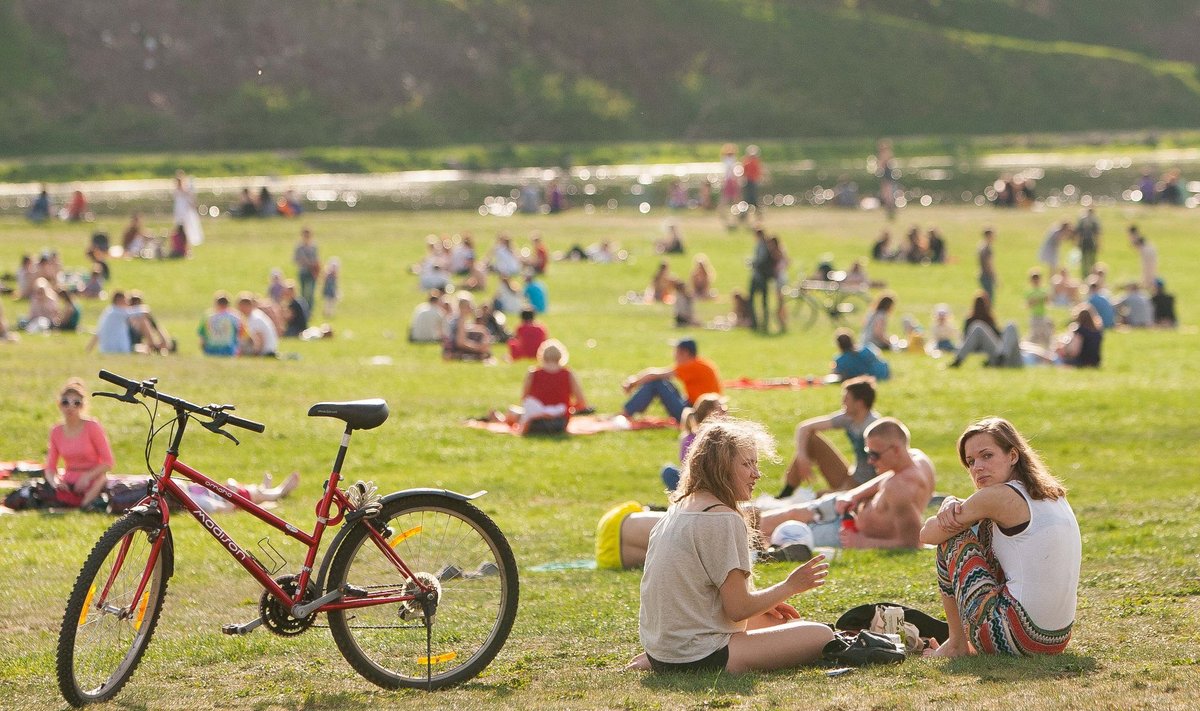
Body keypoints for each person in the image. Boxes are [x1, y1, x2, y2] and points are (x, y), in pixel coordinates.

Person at [628, 419, 833, 674]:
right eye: (747, 464)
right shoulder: (723, 518)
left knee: (771, 619)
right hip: (703, 656)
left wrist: (766, 603)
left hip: (663, 651)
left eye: (755, 464)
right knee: (821, 635)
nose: (756, 474)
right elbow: (739, 610)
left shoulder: (679, 509)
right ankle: (682, 663)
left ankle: (664, 660)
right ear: (720, 467)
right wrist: (790, 586)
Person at [920, 418, 1079, 657]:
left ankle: (956, 644)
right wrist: (954, 504)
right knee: (980, 527)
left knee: (951, 539)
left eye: (987, 456)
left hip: (1018, 635)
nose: (977, 468)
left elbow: (928, 534)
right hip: (1054, 639)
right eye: (971, 462)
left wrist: (948, 503)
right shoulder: (1052, 494)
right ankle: (966, 641)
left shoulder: (996, 497)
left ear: (1013, 456)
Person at [760, 418, 936, 550]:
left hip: (845, 532)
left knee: (780, 536)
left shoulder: (900, 489)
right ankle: (735, 523)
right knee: (789, 513)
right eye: (868, 453)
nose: (870, 461)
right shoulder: (917, 458)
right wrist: (854, 495)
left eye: (875, 455)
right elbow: (890, 476)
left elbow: (912, 543)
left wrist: (861, 542)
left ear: (896, 450)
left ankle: (740, 543)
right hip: (847, 506)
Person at [778, 377, 879, 497]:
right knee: (812, 440)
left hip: (867, 488)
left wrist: (850, 492)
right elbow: (804, 428)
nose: (843, 403)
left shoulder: (875, 428)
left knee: (819, 497)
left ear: (859, 403)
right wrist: (802, 457)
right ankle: (785, 494)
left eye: (846, 399)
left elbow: (886, 469)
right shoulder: (849, 418)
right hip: (852, 478)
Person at [44, 378, 114, 509]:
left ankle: (85, 505)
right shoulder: (56, 431)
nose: (70, 407)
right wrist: (56, 482)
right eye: (65, 402)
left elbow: (108, 462)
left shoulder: (92, 426)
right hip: (69, 479)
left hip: (94, 478)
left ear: (82, 406)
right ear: (59, 404)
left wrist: (87, 477)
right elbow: (50, 468)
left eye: (76, 403)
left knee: (97, 487)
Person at [493, 339, 588, 435]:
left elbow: (524, 399)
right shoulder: (568, 374)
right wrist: (565, 409)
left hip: (534, 422)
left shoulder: (533, 373)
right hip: (560, 422)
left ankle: (500, 419)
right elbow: (582, 403)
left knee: (512, 411)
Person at [622, 338, 721, 422]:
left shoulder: (690, 365)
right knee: (662, 382)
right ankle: (629, 411)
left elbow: (653, 374)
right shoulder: (701, 364)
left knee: (656, 383)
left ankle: (626, 413)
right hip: (704, 410)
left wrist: (632, 383)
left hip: (695, 414)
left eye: (676, 351)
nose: (674, 355)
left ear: (685, 353)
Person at [661, 393, 728, 491]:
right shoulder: (691, 439)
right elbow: (689, 470)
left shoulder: (726, 437)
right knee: (669, 471)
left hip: (717, 483)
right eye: (720, 408)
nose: (725, 410)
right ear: (710, 413)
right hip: (698, 483)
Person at [443, 293, 492, 361]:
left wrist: (482, 330)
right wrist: (478, 348)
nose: (472, 308)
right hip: (455, 350)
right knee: (484, 354)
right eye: (469, 306)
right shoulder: (460, 320)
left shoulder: (456, 318)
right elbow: (461, 343)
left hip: (452, 349)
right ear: (462, 307)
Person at [199, 291, 245, 356]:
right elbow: (242, 334)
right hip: (229, 351)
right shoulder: (235, 316)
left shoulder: (208, 316)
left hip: (210, 350)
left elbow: (202, 335)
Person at [747, 229, 775, 332]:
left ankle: (758, 323)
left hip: (759, 277)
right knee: (763, 301)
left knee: (757, 301)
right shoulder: (766, 246)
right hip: (762, 277)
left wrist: (752, 263)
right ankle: (762, 323)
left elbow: (760, 262)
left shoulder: (762, 246)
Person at [236, 292, 279, 357]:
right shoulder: (254, 315)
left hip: (266, 352)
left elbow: (259, 340)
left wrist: (255, 355)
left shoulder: (255, 319)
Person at [294, 227, 320, 310]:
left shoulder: (314, 247)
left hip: (312, 272)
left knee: (311, 293)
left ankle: (310, 310)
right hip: (303, 271)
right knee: (303, 293)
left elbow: (316, 259)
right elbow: (296, 259)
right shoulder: (299, 247)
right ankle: (303, 310)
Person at [1026, 269, 1052, 348]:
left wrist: (1044, 298)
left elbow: (1048, 301)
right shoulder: (1029, 291)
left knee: (1047, 333)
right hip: (1034, 316)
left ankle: (1048, 350)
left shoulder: (1044, 290)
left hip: (1043, 315)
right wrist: (1035, 300)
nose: (1036, 281)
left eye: (1037, 279)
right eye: (1034, 279)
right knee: (1035, 335)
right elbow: (1028, 304)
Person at [1128, 225, 1159, 291]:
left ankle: (1149, 286)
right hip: (1149, 250)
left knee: (1148, 273)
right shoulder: (1138, 235)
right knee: (1150, 272)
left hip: (1146, 251)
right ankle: (1149, 286)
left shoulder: (1133, 236)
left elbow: (1135, 245)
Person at [1075, 208, 1101, 279]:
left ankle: (1088, 275)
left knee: (1087, 260)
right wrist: (1098, 244)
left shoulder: (1082, 220)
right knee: (1089, 259)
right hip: (1089, 242)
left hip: (1086, 242)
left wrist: (1078, 242)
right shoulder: (1094, 221)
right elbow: (1097, 234)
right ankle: (1089, 275)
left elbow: (1079, 233)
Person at [741, 145, 763, 212]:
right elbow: (744, 172)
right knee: (749, 198)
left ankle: (756, 213)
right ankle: (746, 214)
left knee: (752, 198)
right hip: (748, 181)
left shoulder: (753, 161)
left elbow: (758, 172)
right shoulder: (748, 161)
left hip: (752, 181)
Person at [978, 228, 997, 305]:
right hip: (987, 275)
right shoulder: (987, 249)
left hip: (982, 274)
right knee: (989, 299)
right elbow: (989, 265)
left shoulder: (981, 247)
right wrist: (994, 277)